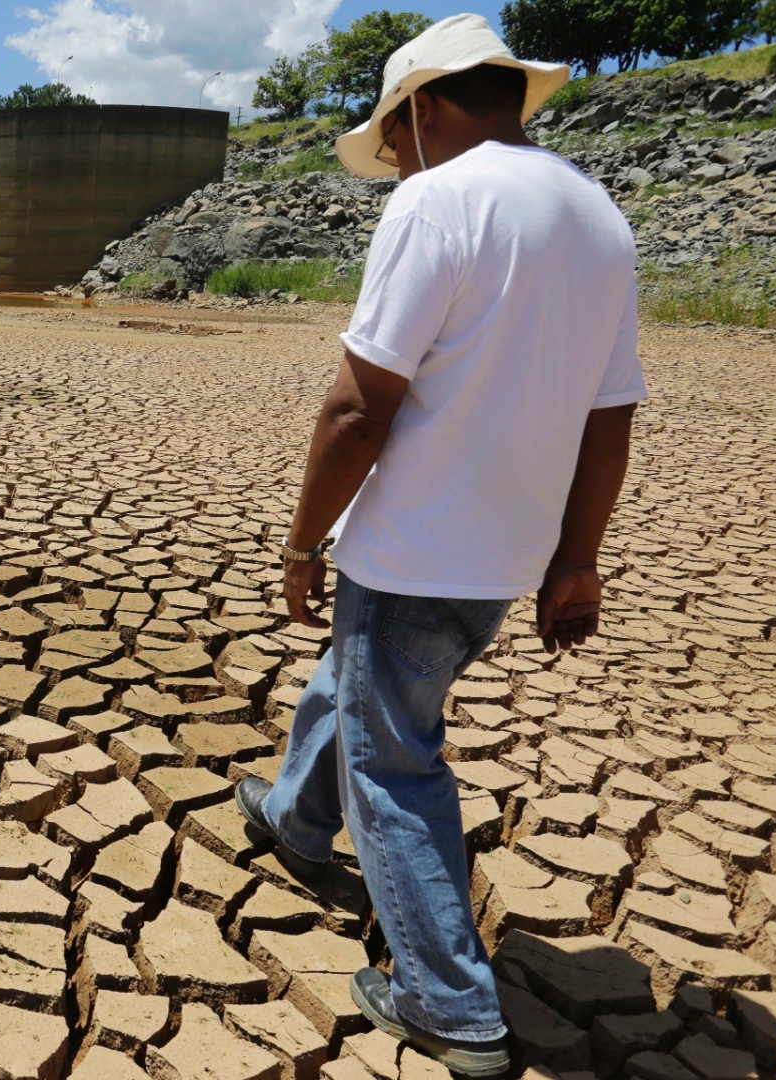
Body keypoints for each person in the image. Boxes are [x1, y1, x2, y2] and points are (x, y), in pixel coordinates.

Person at [231, 14, 645, 1076]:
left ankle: (446, 998)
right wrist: (577, 559)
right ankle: (291, 817)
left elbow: (358, 411)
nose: (396, 160)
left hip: (413, 552)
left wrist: (301, 543)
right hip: (505, 561)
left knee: (396, 763)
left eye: (395, 136)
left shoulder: (436, 200)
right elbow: (611, 416)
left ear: (420, 108)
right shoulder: (598, 217)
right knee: (363, 686)